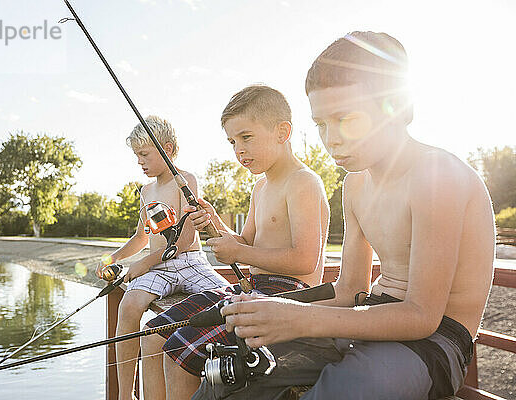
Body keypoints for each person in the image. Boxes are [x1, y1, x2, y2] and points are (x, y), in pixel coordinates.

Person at [193, 31, 496, 400]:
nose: (331, 139)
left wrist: (299, 319)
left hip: (432, 343)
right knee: (226, 379)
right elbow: (351, 288)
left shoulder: (437, 176)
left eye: (346, 119)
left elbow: (422, 315)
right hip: (364, 319)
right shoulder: (354, 185)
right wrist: (276, 309)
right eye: (321, 124)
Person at [141, 85, 330, 400]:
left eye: (246, 137)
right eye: (232, 142)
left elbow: (305, 260)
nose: (238, 150)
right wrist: (214, 223)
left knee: (179, 351)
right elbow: (244, 242)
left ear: (282, 132)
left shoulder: (303, 183)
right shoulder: (261, 187)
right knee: (152, 334)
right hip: (251, 289)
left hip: (290, 296)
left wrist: (239, 251)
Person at [95, 115, 229, 400]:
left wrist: (145, 262)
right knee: (129, 304)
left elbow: (185, 240)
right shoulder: (146, 191)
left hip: (190, 261)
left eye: (144, 154)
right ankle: (125, 394)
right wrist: (113, 257)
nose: (140, 162)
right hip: (162, 268)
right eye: (137, 156)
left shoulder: (186, 181)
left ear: (167, 149)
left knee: (230, 297)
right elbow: (141, 237)